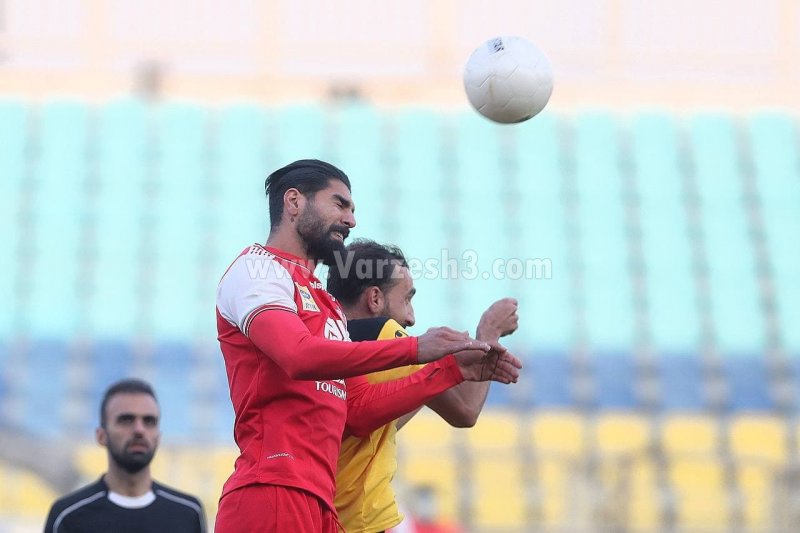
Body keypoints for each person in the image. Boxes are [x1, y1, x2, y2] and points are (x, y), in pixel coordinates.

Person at [214, 159, 522, 532]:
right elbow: (297, 356)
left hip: (321, 501)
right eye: (340, 204)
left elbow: (356, 410)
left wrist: (451, 370)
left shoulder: (325, 303)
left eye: (352, 209)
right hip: (274, 486)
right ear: (294, 202)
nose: (351, 220)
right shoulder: (258, 270)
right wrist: (415, 349)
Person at [327, 239, 518, 532]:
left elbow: (367, 422)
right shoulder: (386, 334)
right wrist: (488, 333)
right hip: (360, 521)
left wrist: (427, 376)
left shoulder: (318, 340)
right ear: (375, 299)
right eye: (407, 299)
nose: (411, 318)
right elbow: (465, 411)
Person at [44, 378, 206, 533]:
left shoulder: (188, 513)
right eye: (126, 420)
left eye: (149, 421)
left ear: (158, 436)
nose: (139, 430)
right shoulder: (67, 517)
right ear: (101, 436)